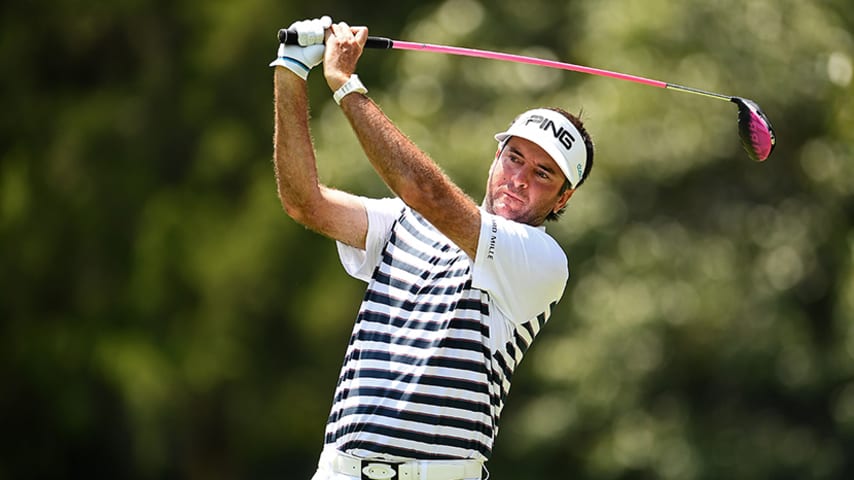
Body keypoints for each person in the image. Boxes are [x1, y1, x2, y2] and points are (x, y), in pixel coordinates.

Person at [270, 16, 594, 480]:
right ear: (496, 157)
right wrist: (290, 72)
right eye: (514, 157)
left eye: (543, 174)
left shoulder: (540, 262)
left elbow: (428, 192)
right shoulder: (402, 222)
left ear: (564, 197)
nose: (519, 178)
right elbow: (305, 203)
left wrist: (345, 83)